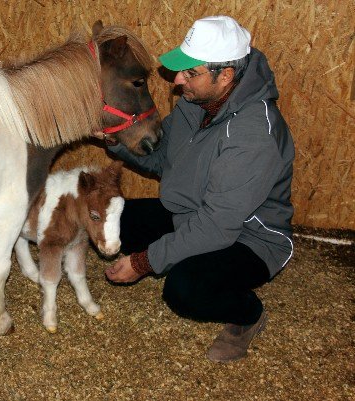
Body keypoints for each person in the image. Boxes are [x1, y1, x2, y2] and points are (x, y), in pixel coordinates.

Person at [95, 15, 295, 362]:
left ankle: (248, 315)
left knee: (184, 290)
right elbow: (160, 161)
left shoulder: (254, 135)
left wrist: (145, 262)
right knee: (114, 220)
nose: (176, 81)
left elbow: (218, 226)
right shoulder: (195, 102)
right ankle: (181, 253)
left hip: (248, 238)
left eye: (190, 73)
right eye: (180, 70)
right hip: (189, 213)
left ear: (226, 76)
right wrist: (116, 141)